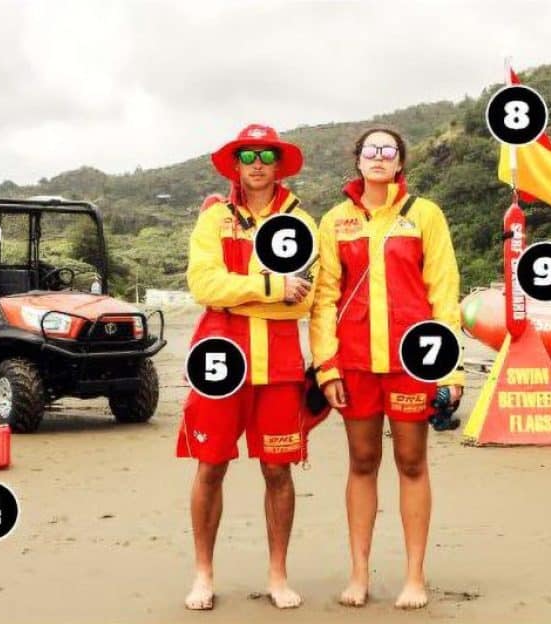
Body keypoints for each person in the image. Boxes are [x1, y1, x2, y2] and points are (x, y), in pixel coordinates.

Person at [310, 128, 464, 609]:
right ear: (358, 161)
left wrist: (450, 372)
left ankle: (415, 576)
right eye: (370, 151)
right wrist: (326, 367)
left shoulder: (424, 215)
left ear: (400, 163)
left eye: (388, 151)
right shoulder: (334, 221)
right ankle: (359, 575)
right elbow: (323, 300)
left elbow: (444, 292)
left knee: (412, 463)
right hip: (354, 364)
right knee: (361, 462)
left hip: (412, 363)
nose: (379, 158)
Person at [177, 124, 317, 611]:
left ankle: (278, 575)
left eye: (267, 155)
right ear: (235, 165)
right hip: (219, 360)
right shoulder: (214, 218)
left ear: (279, 165)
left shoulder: (302, 221)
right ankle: (203, 574)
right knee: (210, 464)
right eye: (248, 155)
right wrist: (271, 287)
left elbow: (306, 301)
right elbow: (204, 285)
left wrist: (241, 294)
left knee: (278, 468)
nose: (257, 163)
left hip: (279, 364)